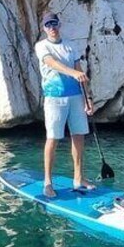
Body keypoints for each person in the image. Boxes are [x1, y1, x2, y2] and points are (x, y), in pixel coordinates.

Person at [34, 11, 94, 198]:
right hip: (54, 98)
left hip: (76, 96)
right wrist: (73, 73)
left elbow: (80, 71)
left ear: (59, 25)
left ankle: (78, 177)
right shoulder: (41, 46)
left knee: (79, 136)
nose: (52, 28)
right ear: (44, 29)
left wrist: (88, 97)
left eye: (54, 23)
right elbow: (51, 63)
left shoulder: (70, 46)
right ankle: (48, 182)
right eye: (48, 25)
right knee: (53, 138)